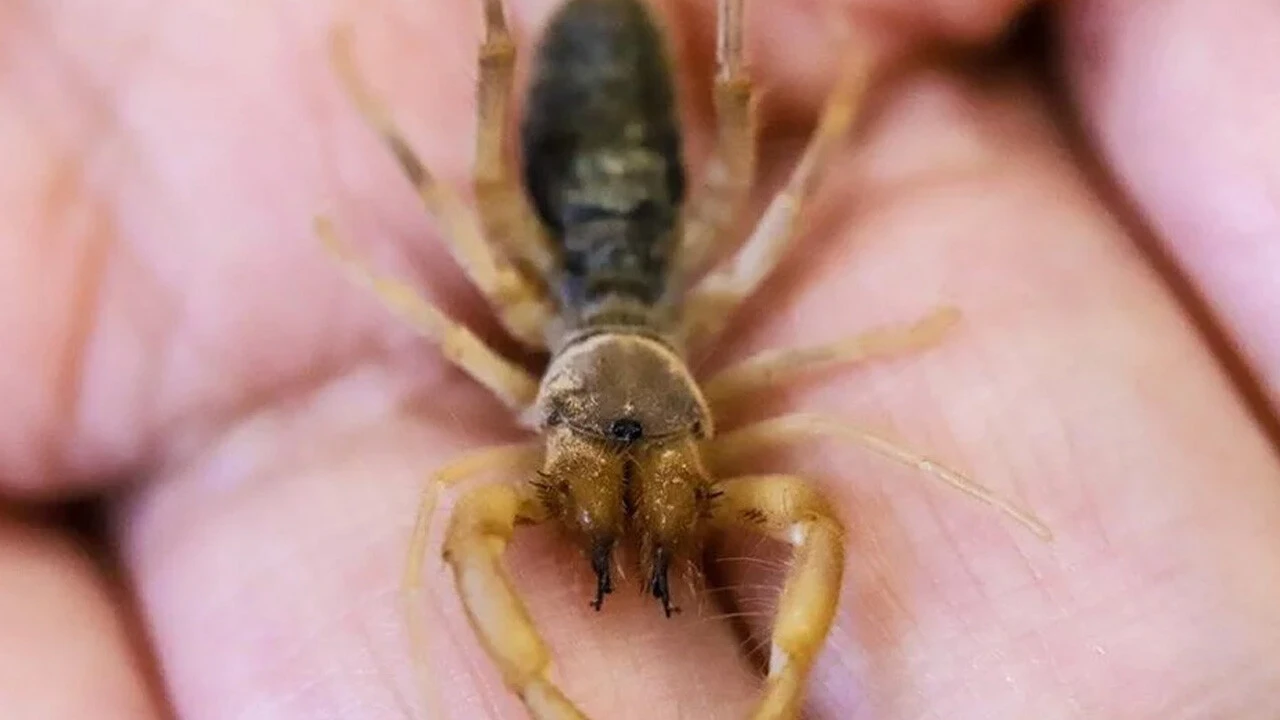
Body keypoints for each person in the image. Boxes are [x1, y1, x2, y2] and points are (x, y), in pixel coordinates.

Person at [1, 1, 1278, 718]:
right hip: (610, 204)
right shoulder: (610, 325)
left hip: (605, 213)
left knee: (722, 141)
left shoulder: (596, 333)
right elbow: (445, 301)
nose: (620, 477)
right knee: (629, 144)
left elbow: (795, 490)